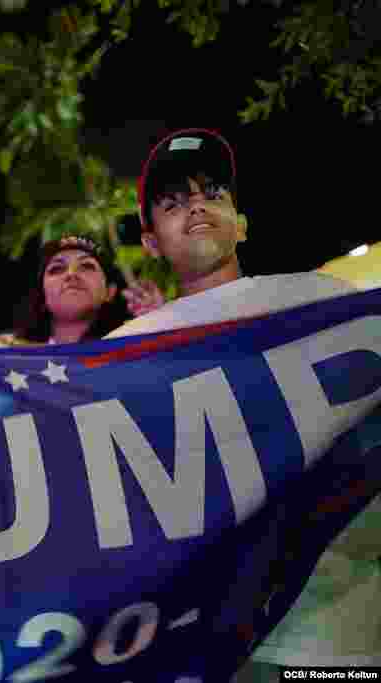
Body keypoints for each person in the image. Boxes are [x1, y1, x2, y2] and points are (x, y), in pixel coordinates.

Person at [103, 128, 378, 680]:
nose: (197, 205)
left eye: (212, 193)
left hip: (335, 642)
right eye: (173, 202)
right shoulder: (123, 355)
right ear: (152, 240)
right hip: (201, 651)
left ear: (241, 222)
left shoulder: (325, 302)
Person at [0, 233, 143, 396]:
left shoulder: (139, 345)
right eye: (57, 269)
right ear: (43, 295)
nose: (71, 274)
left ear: (110, 291)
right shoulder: (3, 350)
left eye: (87, 266)